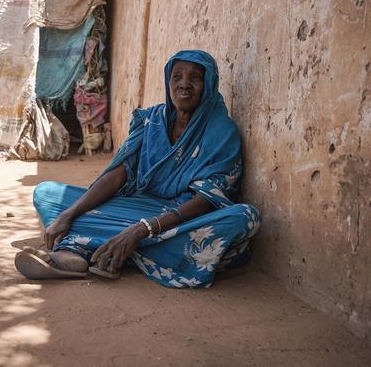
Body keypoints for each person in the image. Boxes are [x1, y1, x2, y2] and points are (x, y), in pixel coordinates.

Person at [15, 50, 261, 288]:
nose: (184, 85)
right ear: (168, 82)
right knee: (47, 192)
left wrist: (143, 229)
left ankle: (82, 248)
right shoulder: (150, 121)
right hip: (136, 204)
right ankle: (106, 249)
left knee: (244, 217)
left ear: (208, 84)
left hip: (182, 217)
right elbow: (119, 175)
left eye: (195, 78)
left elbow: (205, 201)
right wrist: (68, 214)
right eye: (177, 77)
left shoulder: (221, 131)